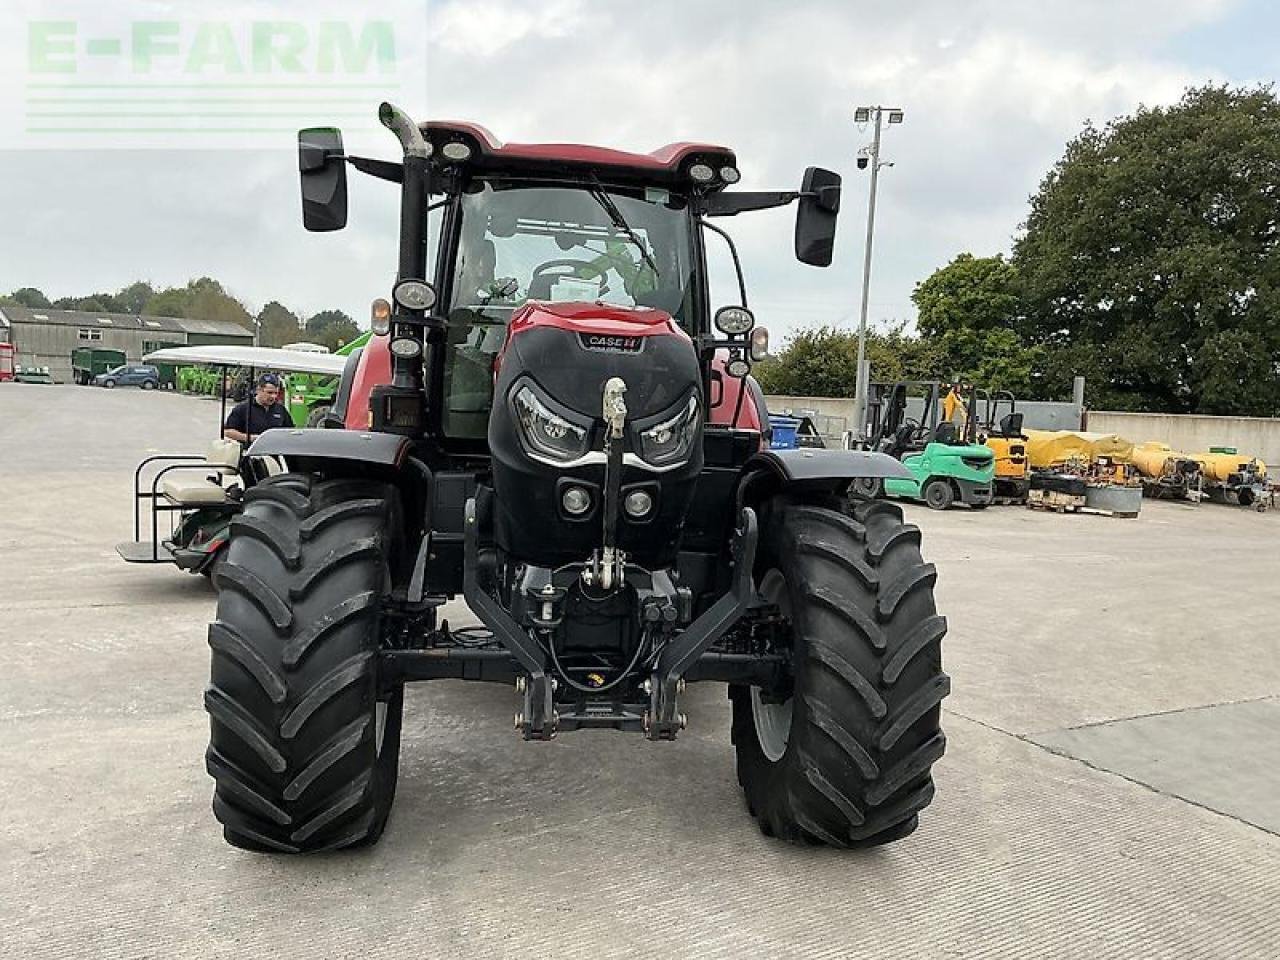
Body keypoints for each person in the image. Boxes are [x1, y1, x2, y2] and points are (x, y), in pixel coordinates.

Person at [223, 373, 294, 444]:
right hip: (249, 452)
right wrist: (250, 438)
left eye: (276, 393)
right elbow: (228, 432)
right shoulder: (243, 408)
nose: (273, 396)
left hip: (274, 452)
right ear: (258, 390)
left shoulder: (281, 409)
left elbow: (290, 431)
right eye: (270, 392)